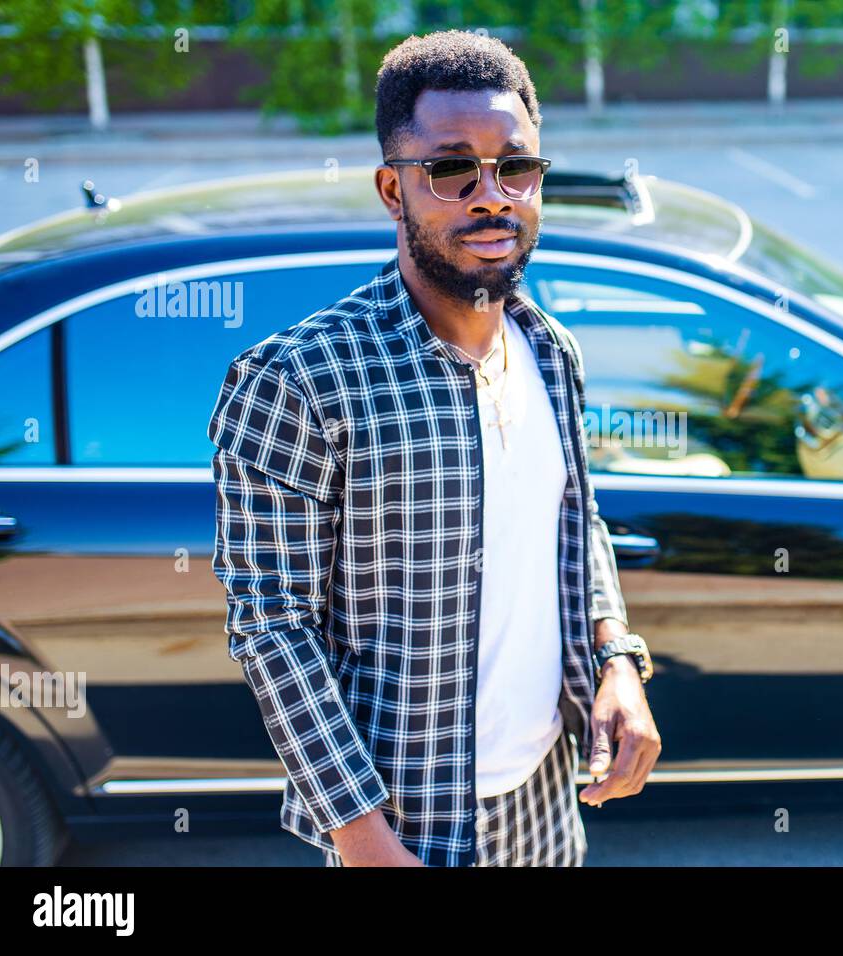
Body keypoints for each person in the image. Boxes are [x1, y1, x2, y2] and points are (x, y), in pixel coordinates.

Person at [208, 29, 661, 867]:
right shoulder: (300, 381)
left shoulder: (549, 351)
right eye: (453, 169)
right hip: (405, 823)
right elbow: (273, 628)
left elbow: (573, 521)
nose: (492, 195)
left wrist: (617, 659)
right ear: (393, 189)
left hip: (545, 803)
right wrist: (364, 840)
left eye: (515, 167)